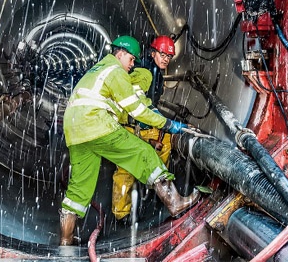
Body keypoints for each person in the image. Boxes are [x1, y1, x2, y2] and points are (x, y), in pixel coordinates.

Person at [60, 35, 200, 246]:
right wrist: (170, 125)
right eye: (132, 59)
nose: (133, 65)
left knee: (78, 188)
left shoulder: (96, 70)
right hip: (96, 123)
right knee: (143, 153)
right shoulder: (116, 71)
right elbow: (137, 109)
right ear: (121, 54)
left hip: (74, 129)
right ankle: (175, 202)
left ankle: (65, 240)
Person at [111, 35, 181, 220]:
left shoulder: (154, 72)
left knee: (163, 145)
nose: (166, 59)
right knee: (126, 168)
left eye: (169, 56)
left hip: (137, 123)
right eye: (163, 54)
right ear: (153, 53)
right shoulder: (146, 73)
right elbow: (136, 99)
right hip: (132, 124)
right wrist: (155, 121)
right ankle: (123, 213)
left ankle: (156, 190)